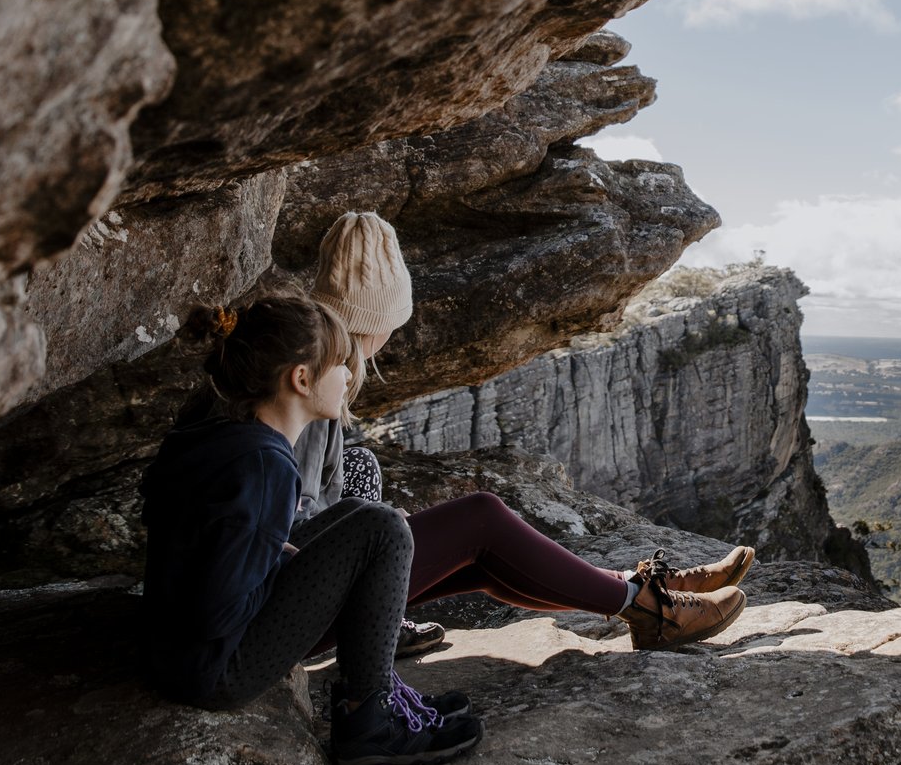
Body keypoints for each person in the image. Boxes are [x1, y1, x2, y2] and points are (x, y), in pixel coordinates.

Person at [141, 293, 751, 765]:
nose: (350, 374)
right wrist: (303, 568)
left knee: (385, 524)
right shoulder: (266, 462)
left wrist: (291, 553)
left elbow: (214, 551)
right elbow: (219, 611)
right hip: (217, 668)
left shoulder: (229, 439)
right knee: (395, 526)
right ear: (301, 379)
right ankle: (369, 726)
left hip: (191, 653)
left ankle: (636, 598)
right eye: (339, 364)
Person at [298, 211, 754, 651]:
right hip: (293, 610)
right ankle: (649, 610)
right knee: (480, 518)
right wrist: (381, 538)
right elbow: (288, 539)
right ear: (376, 321)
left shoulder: (321, 371)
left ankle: (635, 588)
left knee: (462, 543)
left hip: (318, 590)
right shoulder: (313, 392)